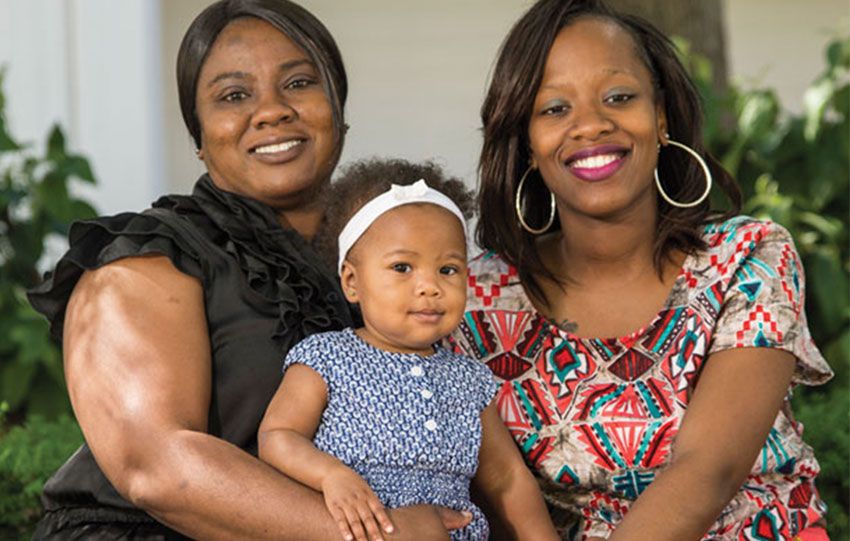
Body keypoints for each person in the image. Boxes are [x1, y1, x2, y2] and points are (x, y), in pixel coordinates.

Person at [27, 1, 472, 539]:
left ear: (338, 107)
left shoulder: (394, 257)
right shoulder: (146, 261)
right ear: (198, 134)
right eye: (234, 95)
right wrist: (381, 535)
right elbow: (157, 468)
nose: (272, 111)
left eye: (300, 83)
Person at [448, 1, 834, 540]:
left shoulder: (746, 258)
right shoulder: (474, 301)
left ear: (660, 116)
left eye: (619, 97)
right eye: (554, 109)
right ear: (529, 146)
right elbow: (493, 488)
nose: (591, 124)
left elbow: (706, 470)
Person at [257, 158, 560, 541]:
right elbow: (278, 436)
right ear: (352, 282)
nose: (429, 287)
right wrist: (331, 475)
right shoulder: (325, 357)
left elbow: (506, 478)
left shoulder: (469, 379)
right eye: (402, 268)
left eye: (448, 270)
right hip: (362, 529)